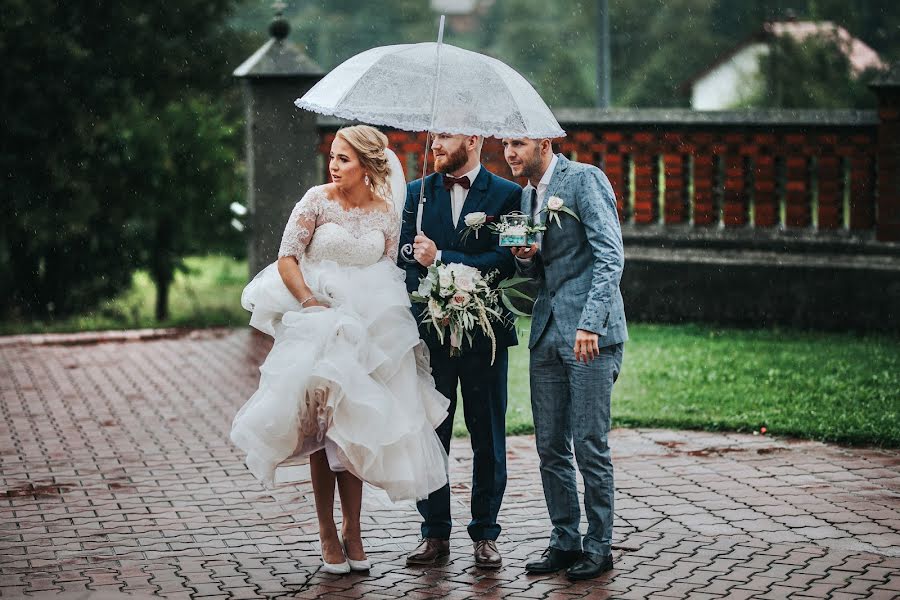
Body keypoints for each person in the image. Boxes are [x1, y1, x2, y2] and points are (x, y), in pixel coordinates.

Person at [230, 125, 451, 575]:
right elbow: (287, 258)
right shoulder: (315, 200)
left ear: (368, 165)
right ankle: (328, 531)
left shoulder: (387, 212)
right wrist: (310, 301)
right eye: (332, 156)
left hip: (370, 331)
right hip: (320, 322)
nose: (333, 165)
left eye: (344, 158)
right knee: (322, 428)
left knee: (354, 430)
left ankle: (355, 529)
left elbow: (389, 270)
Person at [502, 137, 628, 581]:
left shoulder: (584, 180)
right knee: (550, 445)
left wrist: (591, 323)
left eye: (517, 144)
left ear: (544, 142)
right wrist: (526, 258)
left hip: (589, 335)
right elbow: (539, 272)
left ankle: (599, 546)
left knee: (589, 443)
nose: (509, 153)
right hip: (546, 332)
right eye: (505, 144)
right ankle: (564, 539)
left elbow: (610, 257)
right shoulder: (525, 196)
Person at [399, 132, 521, 569]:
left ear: (472, 139)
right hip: (430, 337)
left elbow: (506, 260)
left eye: (445, 136)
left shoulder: (508, 193)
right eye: (433, 137)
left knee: (488, 435)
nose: (435, 144)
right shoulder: (417, 193)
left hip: (485, 337)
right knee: (432, 435)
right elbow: (402, 258)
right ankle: (434, 534)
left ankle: (486, 534)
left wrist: (444, 259)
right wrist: (418, 260)